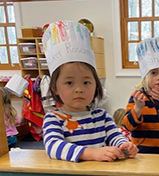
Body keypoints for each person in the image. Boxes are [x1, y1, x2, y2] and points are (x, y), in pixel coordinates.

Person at [42, 20, 138, 162]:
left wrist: (123, 145)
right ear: (55, 88)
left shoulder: (101, 116)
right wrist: (92, 154)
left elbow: (114, 136)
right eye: (69, 82)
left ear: (96, 85)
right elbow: (53, 147)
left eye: (86, 82)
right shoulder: (53, 119)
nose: (79, 89)